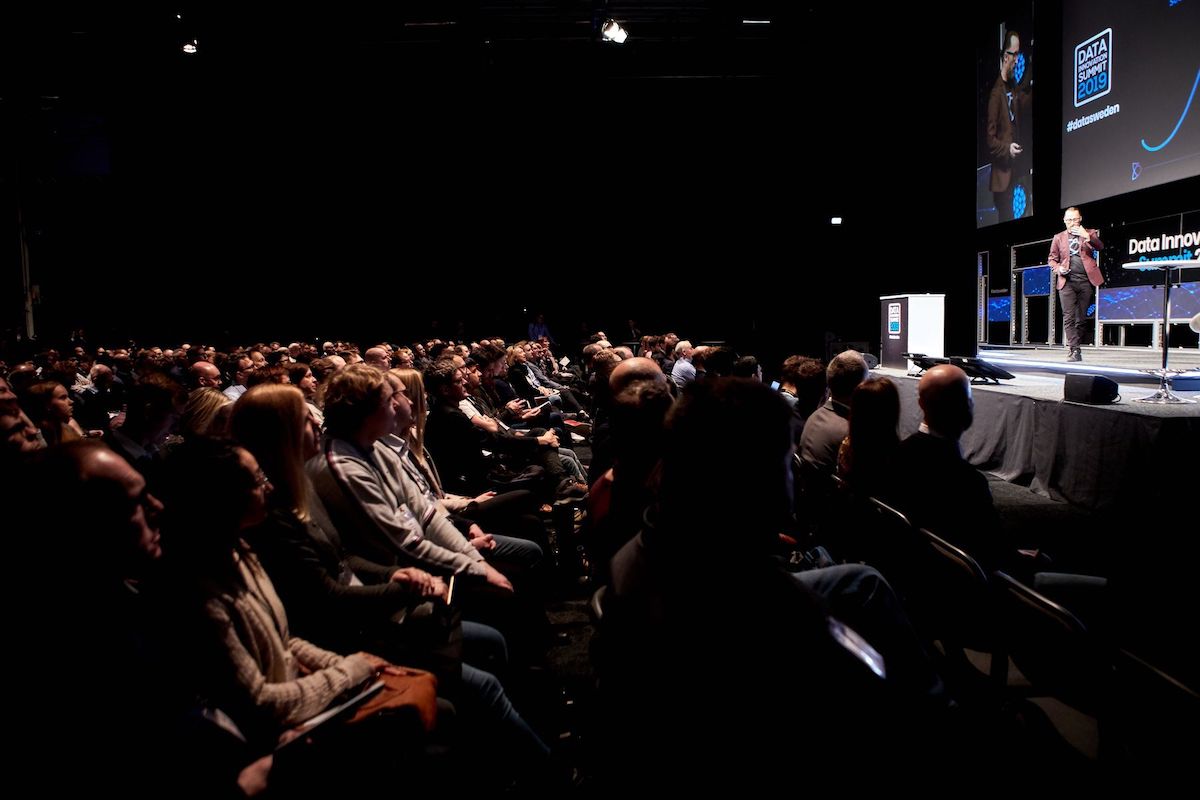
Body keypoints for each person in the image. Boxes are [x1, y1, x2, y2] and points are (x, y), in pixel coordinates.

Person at [1048, 206, 1104, 362]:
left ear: (1080, 219)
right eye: (1068, 220)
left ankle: (1075, 346)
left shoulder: (1090, 233)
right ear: (1064, 221)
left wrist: (1087, 236)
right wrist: (1058, 268)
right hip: (1067, 282)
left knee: (1081, 319)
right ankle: (1075, 349)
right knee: (1068, 317)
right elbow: (1052, 259)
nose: (1071, 222)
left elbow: (1100, 246)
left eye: (1074, 219)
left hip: (1086, 281)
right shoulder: (1058, 237)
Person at [987, 29, 1030, 222]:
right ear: (1006, 56)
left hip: (1016, 171)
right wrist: (1007, 149)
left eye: (1019, 54)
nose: (1017, 60)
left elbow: (1022, 101)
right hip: (1003, 178)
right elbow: (990, 139)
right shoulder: (996, 94)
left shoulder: (1012, 87)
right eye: (1014, 54)